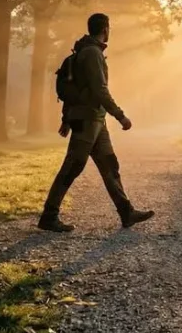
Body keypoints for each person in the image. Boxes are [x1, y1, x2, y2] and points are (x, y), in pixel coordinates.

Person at [39, 13, 155, 232]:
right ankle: (49, 215)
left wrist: (66, 117)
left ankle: (126, 212)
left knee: (109, 165)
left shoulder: (86, 51)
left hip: (95, 121)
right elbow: (99, 89)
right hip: (87, 120)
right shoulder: (92, 53)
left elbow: (77, 86)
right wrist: (120, 115)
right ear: (106, 29)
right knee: (72, 167)